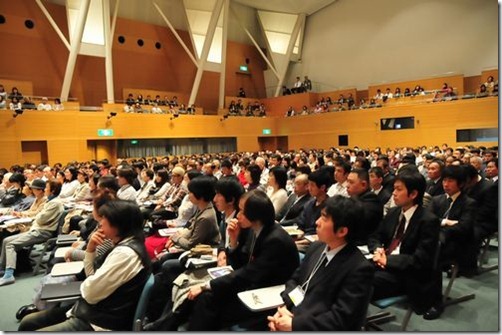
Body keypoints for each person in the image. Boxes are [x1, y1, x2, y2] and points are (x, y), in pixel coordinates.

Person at [18, 200, 151, 331]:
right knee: (27, 322)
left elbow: (89, 292)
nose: (100, 223)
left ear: (119, 224)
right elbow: (91, 277)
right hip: (93, 310)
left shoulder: (125, 254)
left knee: (31, 326)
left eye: (104, 219)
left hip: (101, 322)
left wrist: (88, 283)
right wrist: (90, 250)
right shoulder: (121, 244)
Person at [184, 190, 299, 330]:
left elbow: (248, 273)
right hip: (251, 285)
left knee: (208, 298)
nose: (238, 215)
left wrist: (206, 285)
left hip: (266, 296)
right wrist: (233, 242)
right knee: (203, 296)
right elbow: (239, 264)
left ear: (256, 216)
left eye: (242, 211)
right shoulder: (252, 230)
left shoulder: (275, 240)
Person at [268, 196, 374, 331]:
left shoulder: (359, 269)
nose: (317, 222)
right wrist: (287, 310)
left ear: (342, 231)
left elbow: (341, 319)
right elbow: (294, 281)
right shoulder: (316, 247)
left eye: (324, 218)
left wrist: (295, 324)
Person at [368, 171, 439, 314]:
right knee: (348, 271)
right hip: (382, 262)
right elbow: (375, 236)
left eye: (399, 189)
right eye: (394, 188)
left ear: (413, 194)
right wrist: (377, 249)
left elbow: (420, 260)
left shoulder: (428, 220)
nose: (393, 193)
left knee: (359, 283)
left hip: (405, 273)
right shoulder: (394, 212)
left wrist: (388, 260)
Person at [0, 180, 63, 286]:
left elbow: (40, 218)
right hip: (36, 229)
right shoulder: (50, 201)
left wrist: (36, 216)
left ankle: (9, 275)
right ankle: (3, 268)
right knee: (6, 240)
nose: (45, 189)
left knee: (10, 244)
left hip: (43, 232)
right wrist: (36, 215)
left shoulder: (55, 203)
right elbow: (37, 215)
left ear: (52, 190)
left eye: (46, 188)